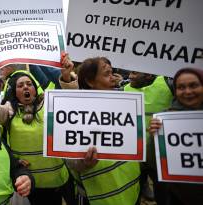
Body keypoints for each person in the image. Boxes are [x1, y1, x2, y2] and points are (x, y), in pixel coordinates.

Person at [0, 56, 75, 205]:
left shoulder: (51, 105)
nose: (25, 87)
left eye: (29, 84)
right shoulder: (9, 111)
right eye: (20, 85)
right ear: (15, 92)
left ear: (35, 89)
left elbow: (72, 102)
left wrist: (67, 76)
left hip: (60, 181)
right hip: (30, 183)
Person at [60, 56, 141, 205]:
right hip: (99, 197)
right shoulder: (75, 114)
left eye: (112, 73)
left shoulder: (125, 104)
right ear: (90, 81)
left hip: (132, 190)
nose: (113, 79)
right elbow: (70, 159)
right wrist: (84, 162)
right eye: (106, 74)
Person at [148, 67, 203, 205]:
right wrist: (154, 138)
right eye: (181, 87)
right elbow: (153, 164)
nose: (188, 91)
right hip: (178, 195)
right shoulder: (166, 119)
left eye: (193, 85)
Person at [123, 71, 174, 203]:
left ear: (148, 75)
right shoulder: (124, 88)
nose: (130, 76)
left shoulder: (169, 84)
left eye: (134, 73)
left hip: (159, 154)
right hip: (135, 153)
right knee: (135, 192)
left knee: (163, 194)